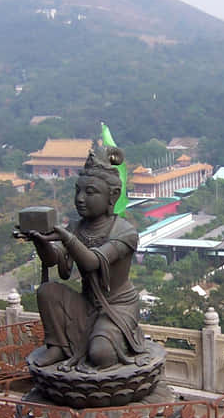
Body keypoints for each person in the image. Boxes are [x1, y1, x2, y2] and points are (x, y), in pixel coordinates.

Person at [21, 146, 146, 372]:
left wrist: (66, 237)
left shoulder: (125, 232)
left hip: (116, 307)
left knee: (101, 354)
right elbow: (58, 264)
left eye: (90, 192)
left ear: (113, 196)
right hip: (86, 302)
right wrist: (40, 240)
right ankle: (58, 345)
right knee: (47, 291)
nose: (80, 199)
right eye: (78, 191)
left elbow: (91, 262)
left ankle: (112, 339)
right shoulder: (78, 228)